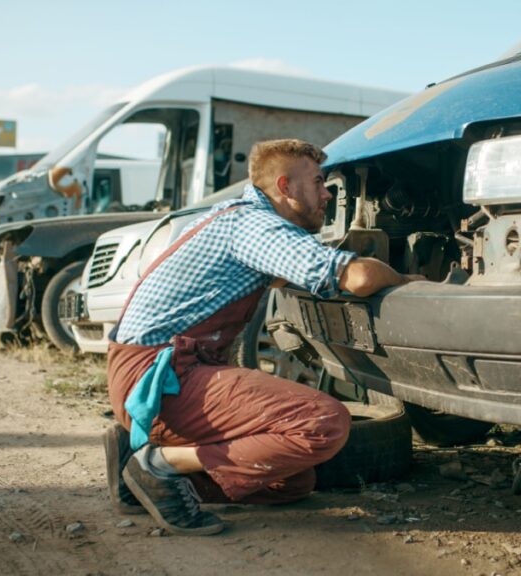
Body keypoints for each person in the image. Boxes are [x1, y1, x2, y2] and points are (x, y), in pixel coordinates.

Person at [103, 138, 417, 536]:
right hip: (160, 379)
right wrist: (408, 280)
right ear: (285, 187)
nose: (327, 194)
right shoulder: (253, 224)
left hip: (162, 375)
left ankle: (136, 472)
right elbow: (359, 277)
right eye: (319, 183)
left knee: (291, 482)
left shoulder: (238, 218)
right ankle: (157, 464)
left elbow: (299, 273)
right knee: (324, 423)